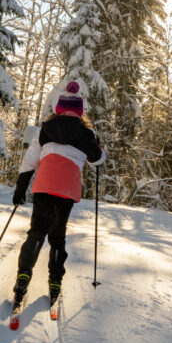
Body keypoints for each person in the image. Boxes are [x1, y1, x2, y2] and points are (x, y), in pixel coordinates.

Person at [11, 81, 105, 308]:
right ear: (80, 111)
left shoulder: (45, 129)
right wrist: (99, 147)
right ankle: (55, 282)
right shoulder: (86, 132)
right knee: (57, 236)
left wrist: (20, 188)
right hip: (66, 189)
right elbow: (97, 160)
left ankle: (23, 276)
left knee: (36, 232)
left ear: (58, 108)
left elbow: (30, 160)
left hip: (44, 184)